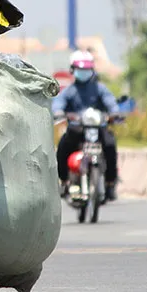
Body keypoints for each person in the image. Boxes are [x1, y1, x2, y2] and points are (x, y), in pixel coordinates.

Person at [53, 50, 121, 201]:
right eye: (80, 70)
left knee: (110, 145)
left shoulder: (100, 89)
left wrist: (114, 113)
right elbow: (58, 103)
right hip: (76, 128)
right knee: (63, 148)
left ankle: (110, 184)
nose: (83, 72)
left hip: (98, 127)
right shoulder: (70, 91)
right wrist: (59, 112)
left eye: (86, 70)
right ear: (73, 70)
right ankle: (63, 181)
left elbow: (111, 103)